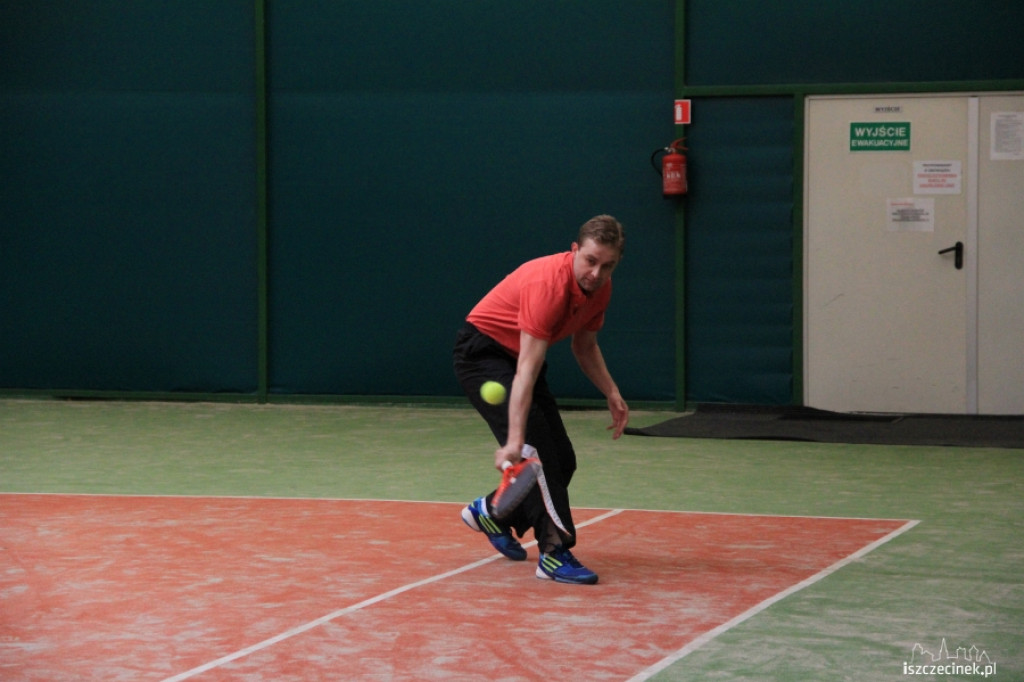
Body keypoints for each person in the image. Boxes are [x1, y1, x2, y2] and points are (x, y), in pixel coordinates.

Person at [453, 214, 629, 585]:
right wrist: (517, 441)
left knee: (562, 461)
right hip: (483, 356)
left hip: (518, 360)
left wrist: (611, 392)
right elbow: (526, 372)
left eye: (608, 265)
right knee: (539, 454)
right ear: (575, 250)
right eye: (591, 261)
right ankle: (553, 552)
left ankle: (493, 514)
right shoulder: (547, 285)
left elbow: (585, 346)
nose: (596, 273)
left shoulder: (601, 289)